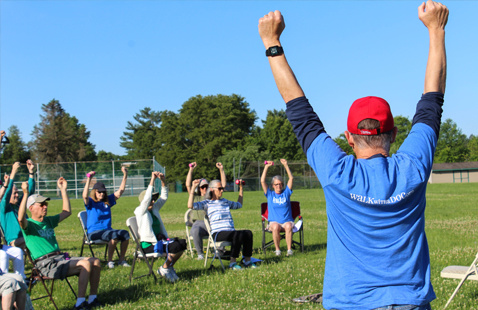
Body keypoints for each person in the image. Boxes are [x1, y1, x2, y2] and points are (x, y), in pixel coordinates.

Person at [258, 1, 448, 309]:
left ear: (348, 139)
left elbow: (298, 109)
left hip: (352, 302)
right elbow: (432, 102)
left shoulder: (336, 171)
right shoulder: (413, 166)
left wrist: (272, 42)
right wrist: (436, 30)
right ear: (395, 134)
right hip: (410, 301)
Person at [18, 178, 102, 310]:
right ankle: (80, 304)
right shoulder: (28, 226)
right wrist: (25, 194)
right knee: (85, 264)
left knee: (95, 261)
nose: (45, 206)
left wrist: (63, 189)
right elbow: (20, 218)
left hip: (60, 258)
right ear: (31, 208)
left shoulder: (48, 221)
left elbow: (67, 212)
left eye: (45, 204)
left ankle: (92, 298)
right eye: (41, 204)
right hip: (46, 264)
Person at [188, 178, 256, 270]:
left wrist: (241, 188)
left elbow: (239, 205)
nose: (222, 190)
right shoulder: (207, 203)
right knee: (236, 234)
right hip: (218, 233)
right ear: (212, 189)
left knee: (248, 233)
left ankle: (247, 261)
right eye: (219, 189)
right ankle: (232, 263)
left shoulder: (225, 201)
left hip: (230, 231)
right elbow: (190, 205)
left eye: (222, 188)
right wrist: (193, 188)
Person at [135, 172, 186, 283]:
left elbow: (164, 197)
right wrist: (152, 180)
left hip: (159, 241)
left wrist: (163, 181)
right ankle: (165, 268)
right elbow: (146, 198)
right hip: (148, 245)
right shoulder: (140, 211)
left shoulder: (154, 209)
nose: (153, 201)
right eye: (151, 199)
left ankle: (167, 267)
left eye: (154, 199)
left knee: (182, 243)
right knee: (176, 247)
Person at [83, 167, 130, 269]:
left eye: (103, 192)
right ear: (94, 192)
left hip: (107, 231)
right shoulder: (90, 202)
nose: (102, 194)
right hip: (94, 233)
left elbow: (120, 192)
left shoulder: (107, 201)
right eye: (99, 192)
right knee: (113, 235)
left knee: (125, 234)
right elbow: (84, 196)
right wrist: (89, 179)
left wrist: (125, 175)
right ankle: (110, 261)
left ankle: (121, 260)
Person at [185, 162, 226, 260]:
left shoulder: (212, 197)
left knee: (222, 225)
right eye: (202, 187)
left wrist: (221, 170)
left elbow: (222, 186)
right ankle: (200, 254)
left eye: (206, 187)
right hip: (200, 225)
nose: (204, 189)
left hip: (212, 223)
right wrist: (191, 170)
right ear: (199, 189)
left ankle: (219, 251)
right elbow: (187, 185)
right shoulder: (195, 197)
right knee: (195, 229)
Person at [261, 159, 294, 256]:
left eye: (280, 184)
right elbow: (262, 181)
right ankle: (278, 250)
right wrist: (266, 167)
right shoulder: (270, 194)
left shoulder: (286, 193)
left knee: (288, 226)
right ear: (273, 185)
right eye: (276, 184)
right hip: (274, 222)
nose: (278, 186)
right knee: (275, 227)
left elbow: (291, 179)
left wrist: (286, 165)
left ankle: (289, 250)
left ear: (282, 185)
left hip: (287, 221)